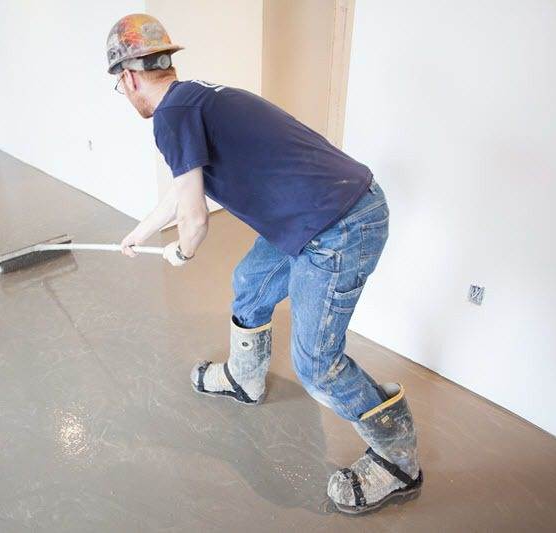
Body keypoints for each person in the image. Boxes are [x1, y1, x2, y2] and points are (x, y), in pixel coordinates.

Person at [106, 13, 422, 514]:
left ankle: (399, 461)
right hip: (315, 213)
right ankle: (245, 377)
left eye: (120, 88)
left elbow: (194, 218)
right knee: (251, 285)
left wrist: (182, 251)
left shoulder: (171, 115)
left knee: (317, 364)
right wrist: (140, 234)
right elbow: (183, 189)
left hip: (339, 225)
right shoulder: (195, 97)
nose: (125, 96)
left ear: (128, 77)